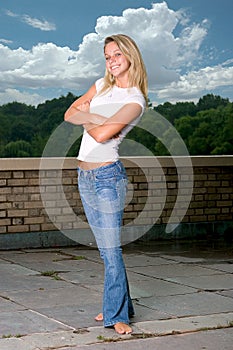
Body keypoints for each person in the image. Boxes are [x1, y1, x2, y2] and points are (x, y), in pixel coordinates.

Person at [64, 34, 148, 335]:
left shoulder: (135, 100)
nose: (111, 61)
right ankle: (123, 304)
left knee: (110, 250)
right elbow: (68, 113)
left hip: (107, 178)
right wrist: (97, 118)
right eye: (107, 56)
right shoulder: (101, 86)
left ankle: (116, 314)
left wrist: (89, 118)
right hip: (84, 176)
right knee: (105, 249)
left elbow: (101, 136)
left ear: (130, 56)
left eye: (116, 55)